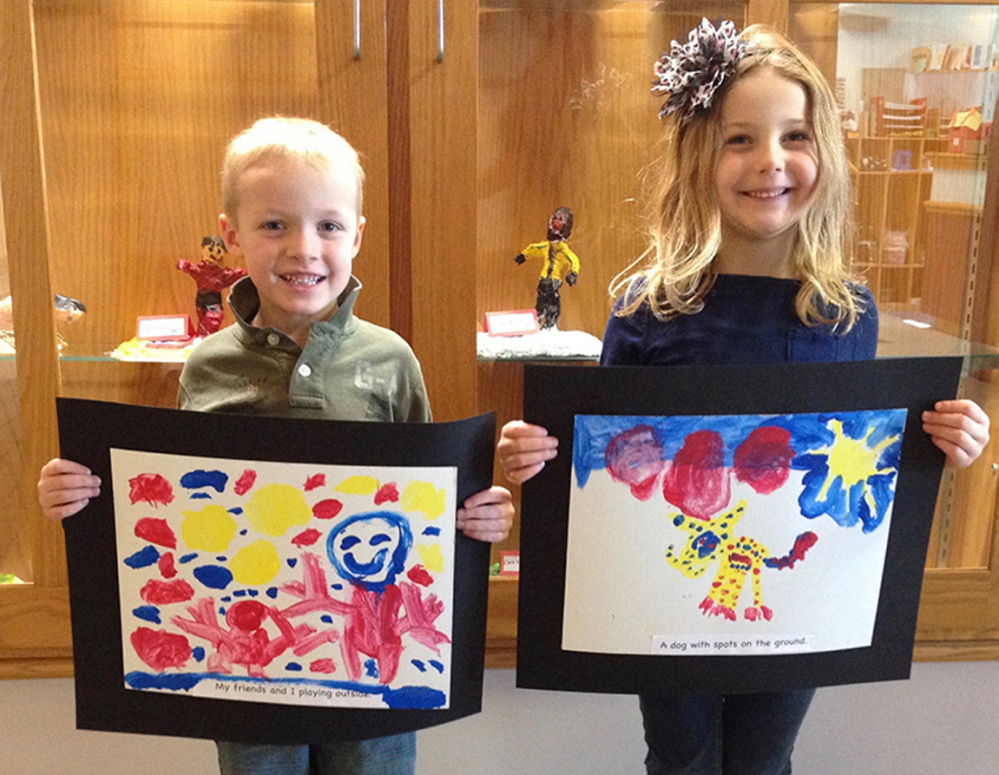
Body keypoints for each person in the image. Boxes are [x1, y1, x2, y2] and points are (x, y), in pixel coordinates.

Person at [497, 19, 990, 775]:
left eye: (794, 136)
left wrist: (944, 438)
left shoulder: (845, 312)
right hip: (669, 588)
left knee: (766, 759)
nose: (771, 162)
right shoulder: (647, 306)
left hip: (794, 596)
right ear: (700, 156)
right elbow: (603, 456)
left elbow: (855, 453)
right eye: (739, 140)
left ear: (821, 150)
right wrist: (536, 452)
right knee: (681, 756)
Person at [38, 116, 514, 775]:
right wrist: (81, 492)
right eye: (273, 225)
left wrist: (477, 516)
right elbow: (176, 512)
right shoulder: (205, 365)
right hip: (247, 656)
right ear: (231, 234)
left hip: (368, 654)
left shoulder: (390, 359)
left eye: (327, 225)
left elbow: (429, 502)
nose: (303, 248)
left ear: (356, 235)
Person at [514, 206, 580, 330]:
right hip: (544, 280)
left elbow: (573, 260)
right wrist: (523, 255)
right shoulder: (546, 247)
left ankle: (550, 325)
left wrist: (573, 273)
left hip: (554, 282)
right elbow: (535, 248)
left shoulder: (563, 250)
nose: (556, 222)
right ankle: (537, 323)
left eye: (560, 219)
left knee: (553, 304)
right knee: (540, 303)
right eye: (555, 219)